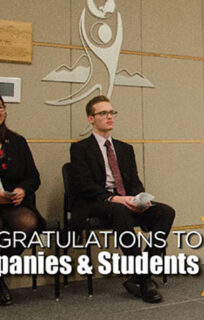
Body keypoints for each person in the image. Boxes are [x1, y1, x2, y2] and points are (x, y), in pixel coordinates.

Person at [69, 95, 175, 303]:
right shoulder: (80, 148)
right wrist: (114, 199)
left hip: (126, 201)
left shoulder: (125, 148)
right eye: (103, 113)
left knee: (166, 211)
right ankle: (144, 280)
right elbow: (84, 186)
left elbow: (134, 180)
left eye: (111, 112)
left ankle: (139, 274)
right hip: (97, 203)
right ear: (91, 119)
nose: (109, 117)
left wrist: (138, 198)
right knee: (119, 210)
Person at [0, 95, 45, 305]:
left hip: (12, 204)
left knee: (28, 223)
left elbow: (34, 177)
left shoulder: (17, 141)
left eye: (0, 107)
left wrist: (22, 190)